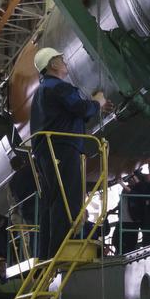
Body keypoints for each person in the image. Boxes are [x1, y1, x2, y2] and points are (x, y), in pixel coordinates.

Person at [29, 48, 108, 260]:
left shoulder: (42, 90)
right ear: (52, 64)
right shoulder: (59, 87)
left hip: (47, 151)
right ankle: (62, 253)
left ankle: (47, 255)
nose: (65, 61)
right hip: (64, 147)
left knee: (52, 203)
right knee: (67, 200)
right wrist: (97, 102)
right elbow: (82, 110)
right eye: (61, 59)